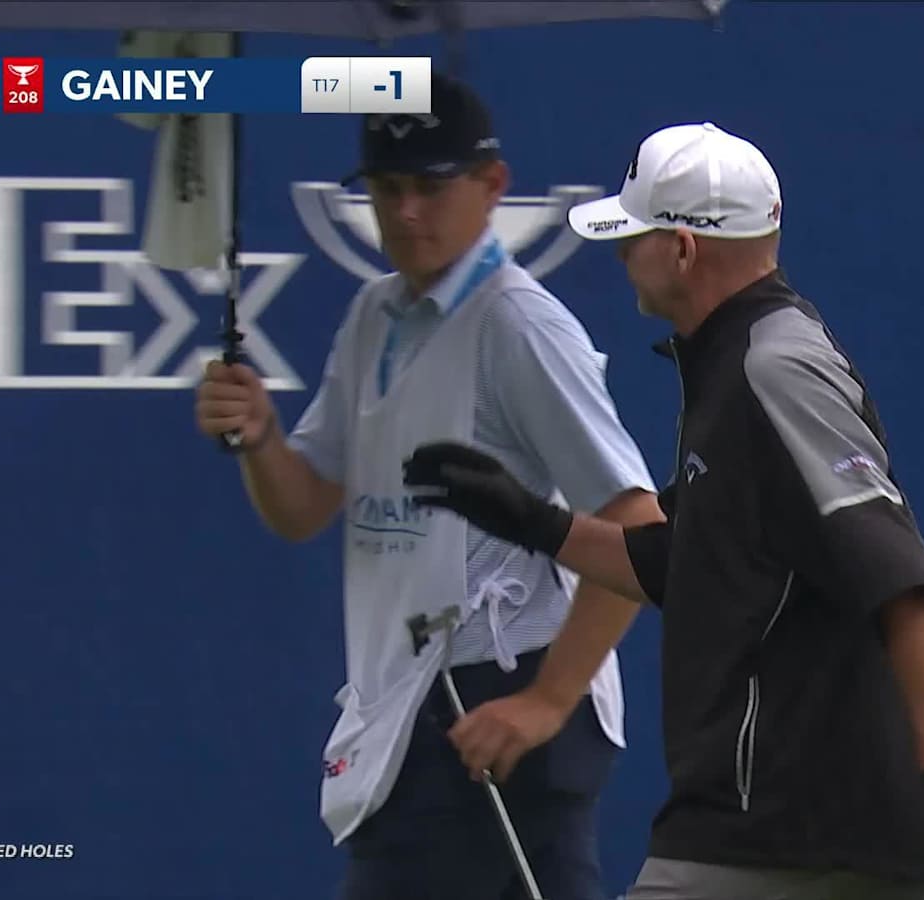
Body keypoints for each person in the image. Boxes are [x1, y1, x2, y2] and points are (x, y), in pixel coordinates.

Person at [402, 122, 924, 900]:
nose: (619, 255)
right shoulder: (734, 362)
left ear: (681, 250)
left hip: (791, 836)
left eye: (631, 237)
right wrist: (530, 520)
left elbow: (902, 586)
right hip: (772, 831)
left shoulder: (773, 369)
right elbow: (678, 562)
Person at [194, 74, 664, 900]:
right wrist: (260, 436)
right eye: (388, 188)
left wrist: (547, 700)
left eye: (431, 186)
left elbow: (638, 529)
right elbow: (303, 505)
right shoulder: (373, 314)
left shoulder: (519, 324)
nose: (407, 212)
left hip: (502, 697)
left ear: (492, 185)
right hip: (417, 701)